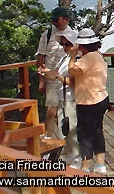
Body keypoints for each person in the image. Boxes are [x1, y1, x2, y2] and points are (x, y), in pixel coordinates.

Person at [68, 28, 109, 173]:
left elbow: (73, 70)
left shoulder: (88, 58)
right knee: (97, 131)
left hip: (88, 102)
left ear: (83, 46)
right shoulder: (98, 55)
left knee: (85, 135)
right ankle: (100, 166)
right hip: (101, 98)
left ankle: (84, 169)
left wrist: (72, 56)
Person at [40, 30, 80, 165]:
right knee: (65, 128)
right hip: (61, 97)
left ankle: (77, 157)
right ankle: (70, 153)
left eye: (67, 44)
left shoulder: (77, 60)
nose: (64, 47)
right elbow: (55, 74)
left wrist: (56, 76)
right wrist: (45, 73)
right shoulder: (65, 58)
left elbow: (73, 82)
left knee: (72, 128)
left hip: (71, 97)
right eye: (63, 44)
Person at [36, 6, 73, 138]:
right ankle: (48, 138)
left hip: (67, 76)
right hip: (51, 76)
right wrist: (42, 80)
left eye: (57, 20)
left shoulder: (73, 35)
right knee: (51, 110)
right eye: (53, 20)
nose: (54, 23)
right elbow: (40, 56)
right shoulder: (47, 34)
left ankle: (66, 140)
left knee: (66, 110)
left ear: (66, 19)